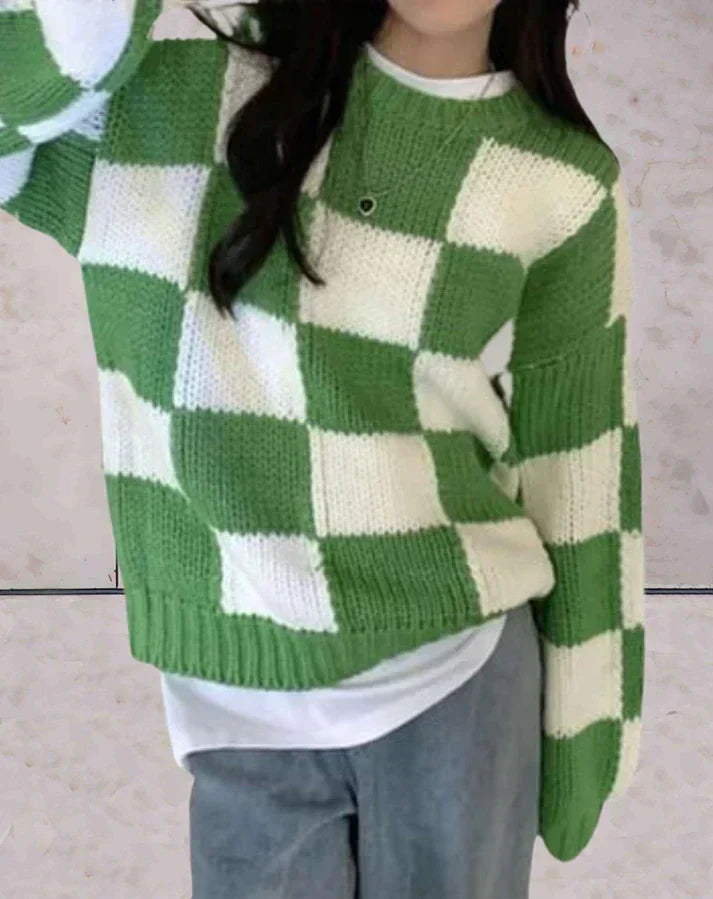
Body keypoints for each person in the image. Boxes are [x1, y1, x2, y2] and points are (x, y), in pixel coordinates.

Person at [0, 0, 645, 895]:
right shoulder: (185, 99)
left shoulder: (562, 182)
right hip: (237, 700)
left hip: (456, 671)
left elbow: (579, 460)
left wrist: (588, 722)